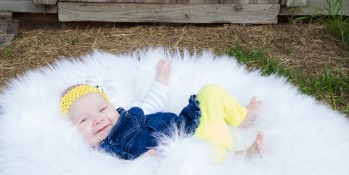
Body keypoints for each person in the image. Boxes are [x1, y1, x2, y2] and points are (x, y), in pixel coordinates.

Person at [62, 58, 265, 162]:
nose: (97, 119)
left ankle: (241, 117)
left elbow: (154, 98)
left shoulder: (132, 113)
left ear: (113, 107)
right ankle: (242, 156)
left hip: (189, 124)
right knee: (200, 156)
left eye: (102, 109)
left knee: (209, 92)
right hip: (178, 152)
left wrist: (162, 75)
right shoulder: (103, 155)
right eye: (84, 120)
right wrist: (141, 163)